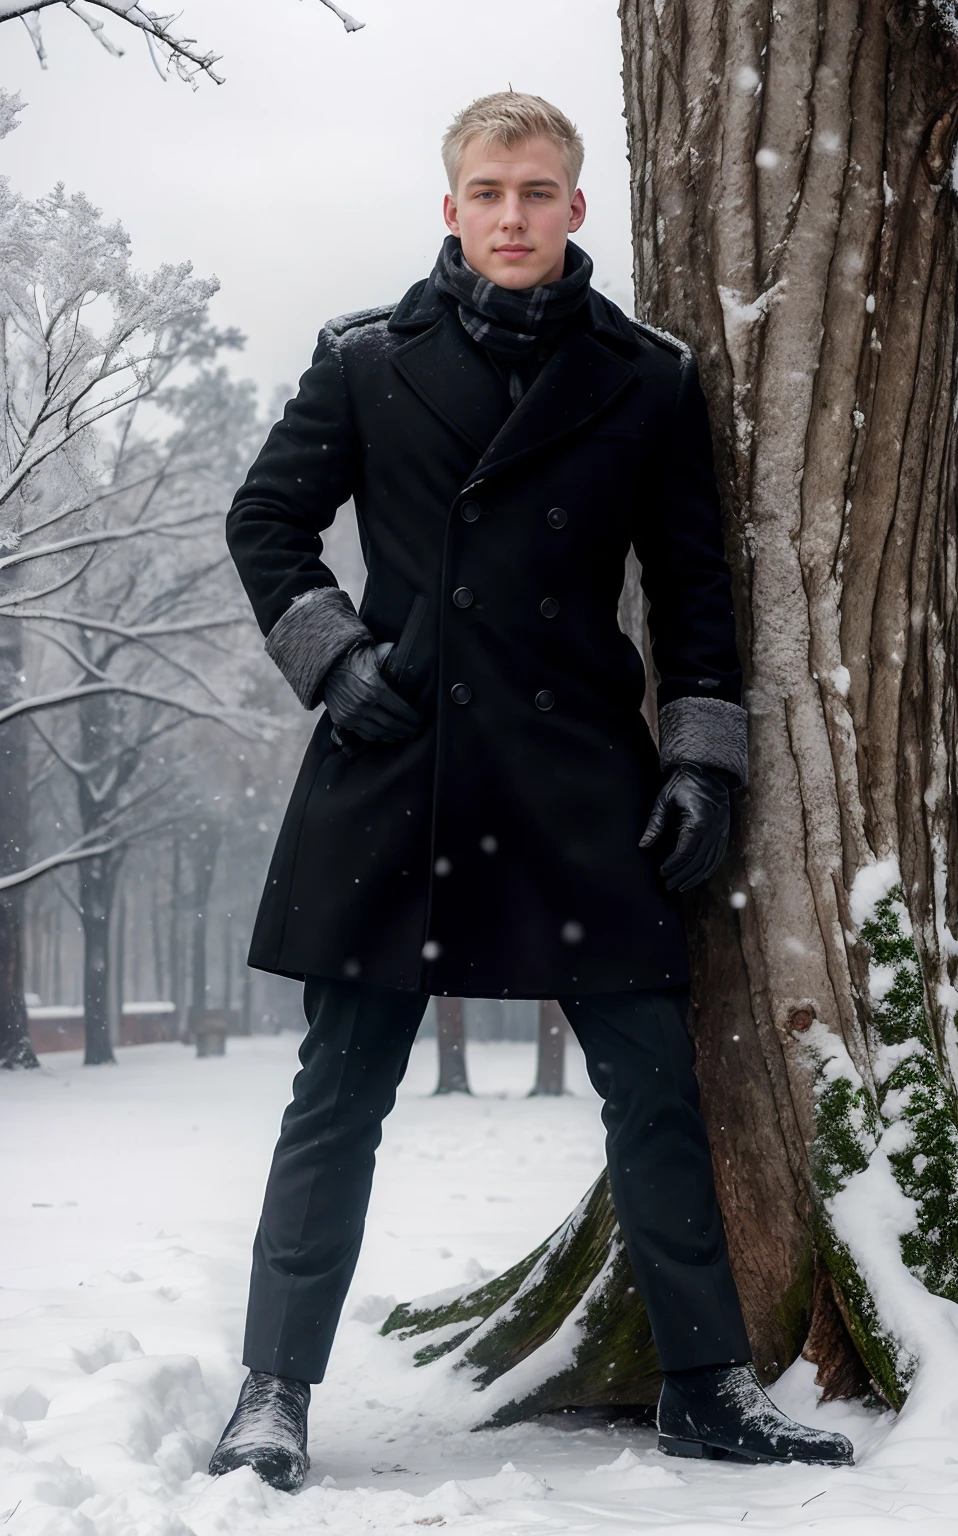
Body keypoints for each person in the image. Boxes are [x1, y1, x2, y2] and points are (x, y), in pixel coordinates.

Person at [210, 91, 853, 1491]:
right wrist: (335, 660)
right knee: (339, 1091)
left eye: (540, 191)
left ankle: (707, 1384)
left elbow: (693, 590)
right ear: (452, 207)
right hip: (398, 764)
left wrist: (700, 759)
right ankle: (271, 1392)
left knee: (654, 1089)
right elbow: (266, 520)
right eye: (490, 191)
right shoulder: (368, 362)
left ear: (576, 209)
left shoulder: (649, 377)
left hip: (577, 777)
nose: (514, 215)